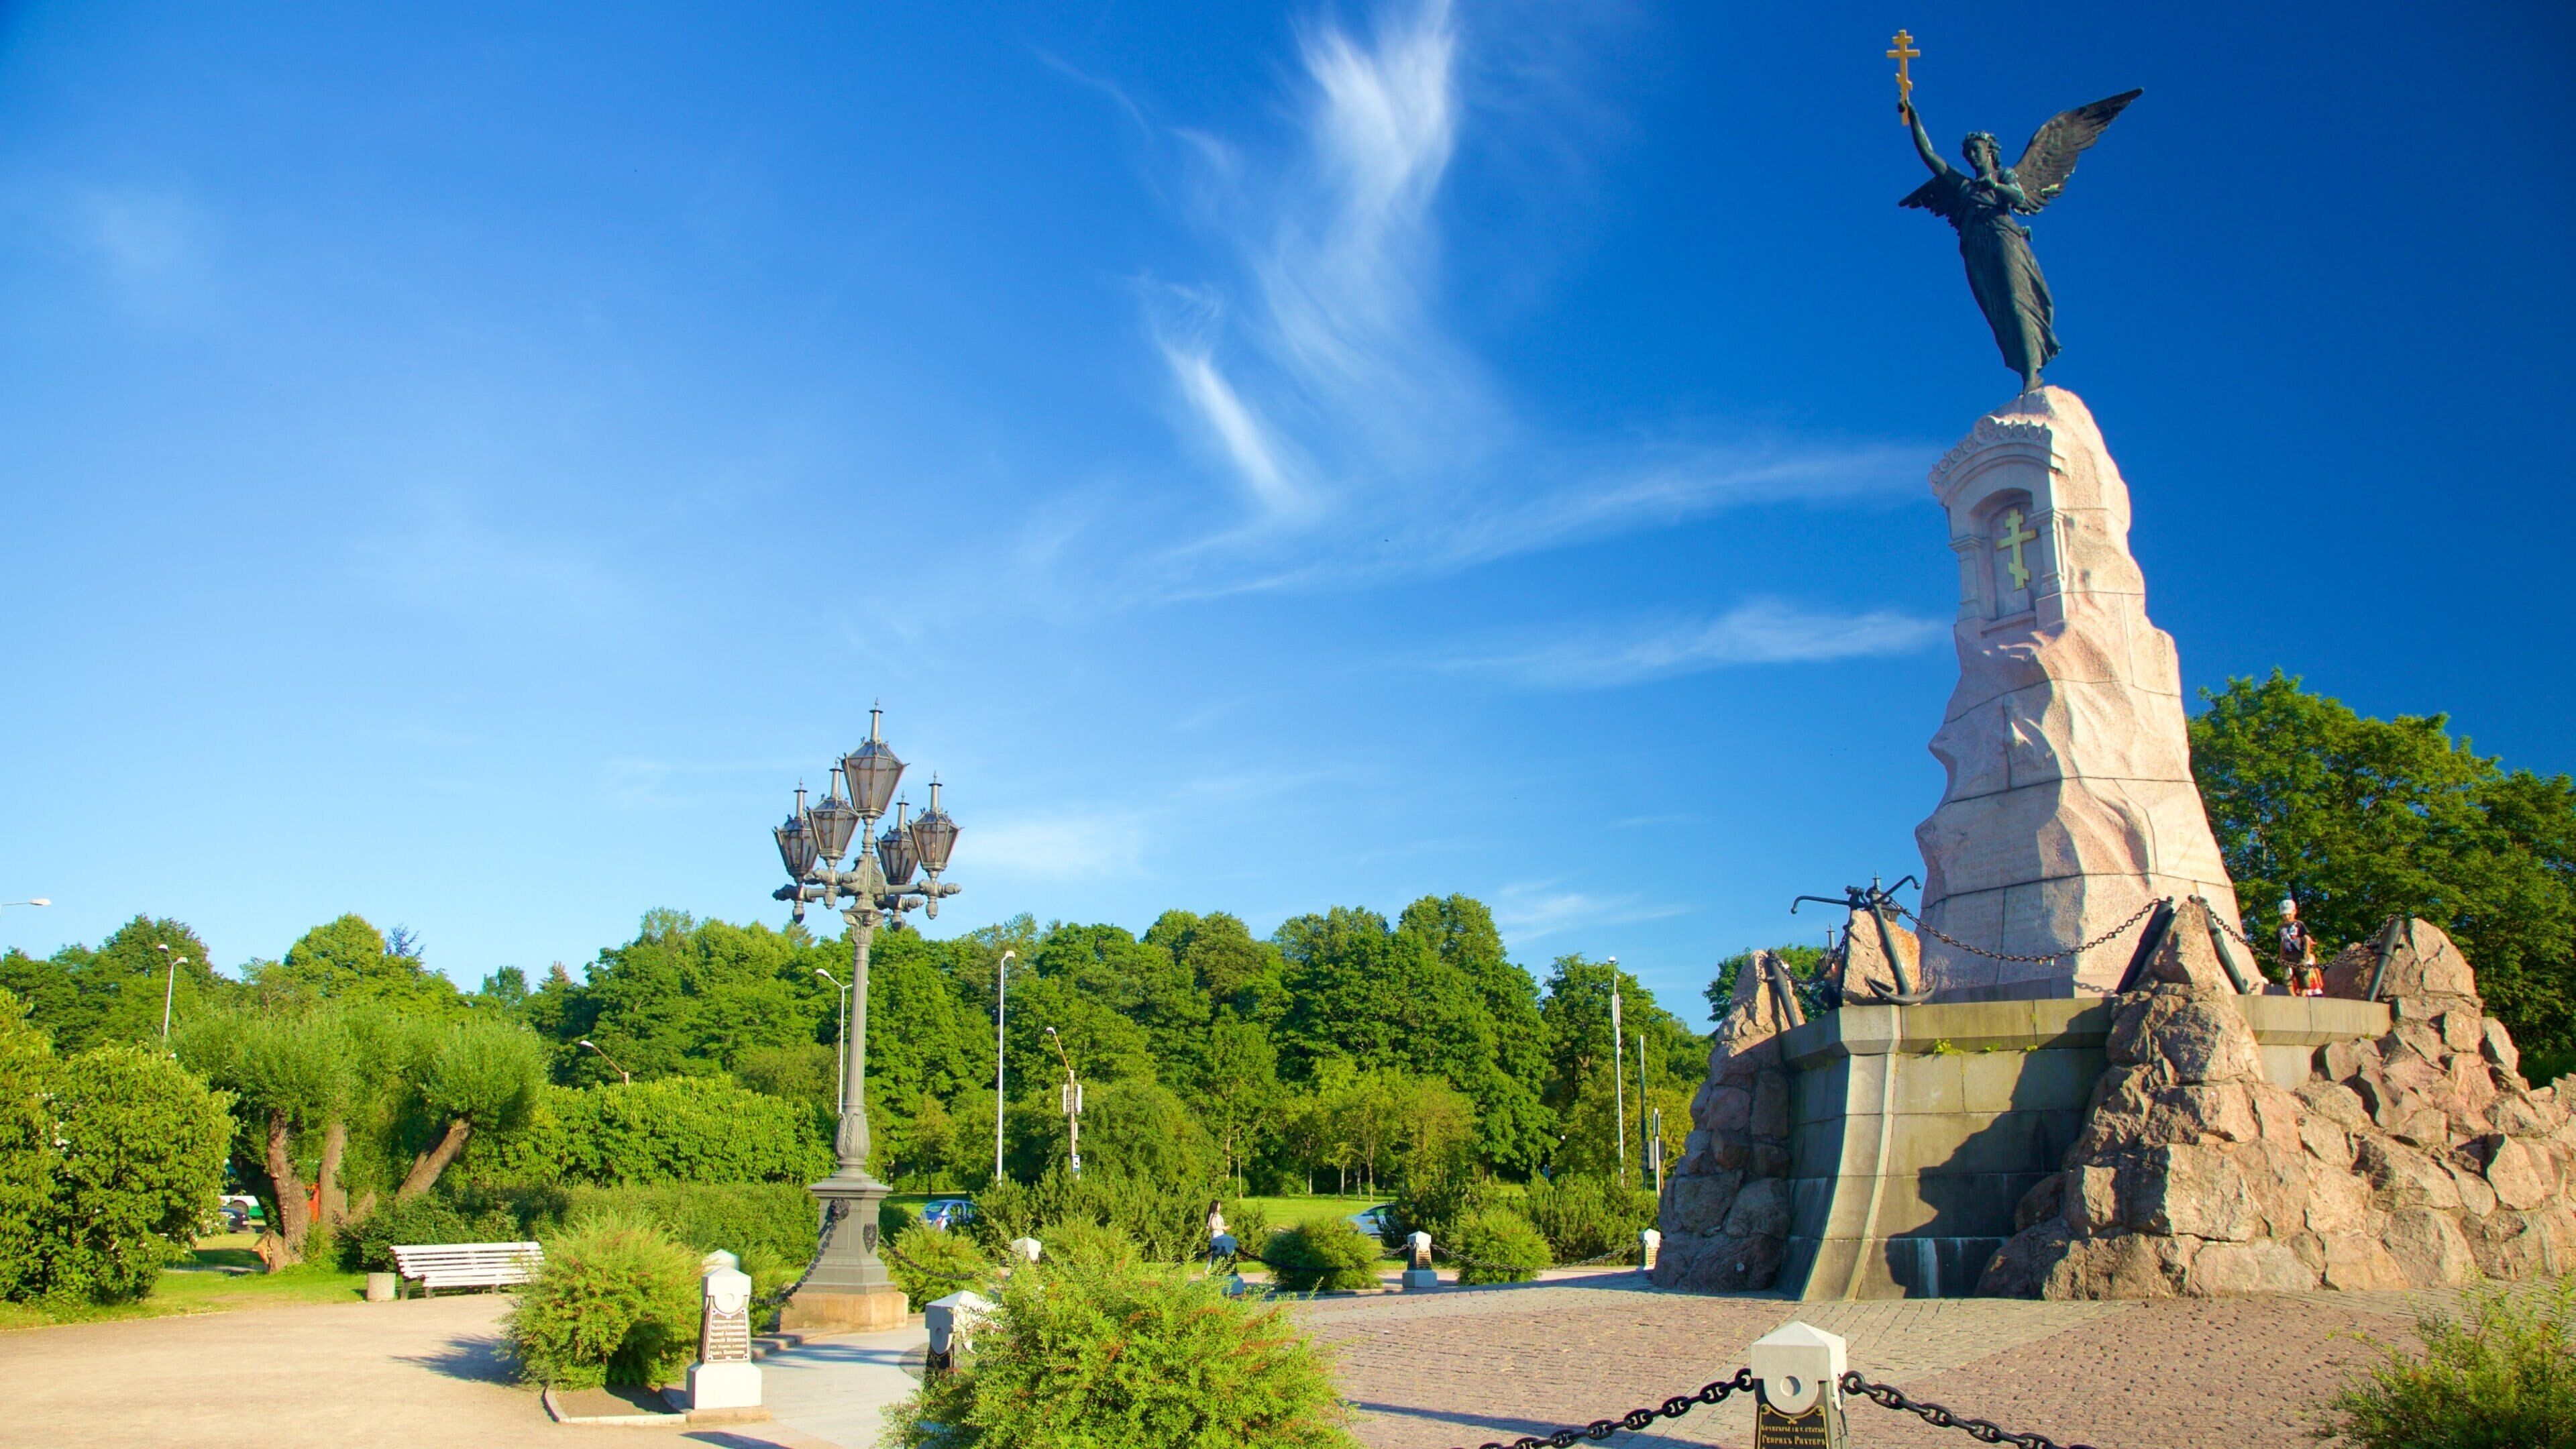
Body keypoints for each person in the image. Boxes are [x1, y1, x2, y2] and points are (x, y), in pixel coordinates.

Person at [2277, 898, 2323, 996]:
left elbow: (2306, 938)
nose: (2287, 917)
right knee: (2287, 976)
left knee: (2303, 975)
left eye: (2289, 914)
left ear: (2294, 912)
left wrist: (2307, 952)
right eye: (2284, 915)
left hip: (2299, 954)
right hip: (2287, 955)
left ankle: (2302, 996)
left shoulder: (2299, 924)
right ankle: (2292, 996)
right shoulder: (2281, 928)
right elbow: (2282, 942)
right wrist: (2281, 955)